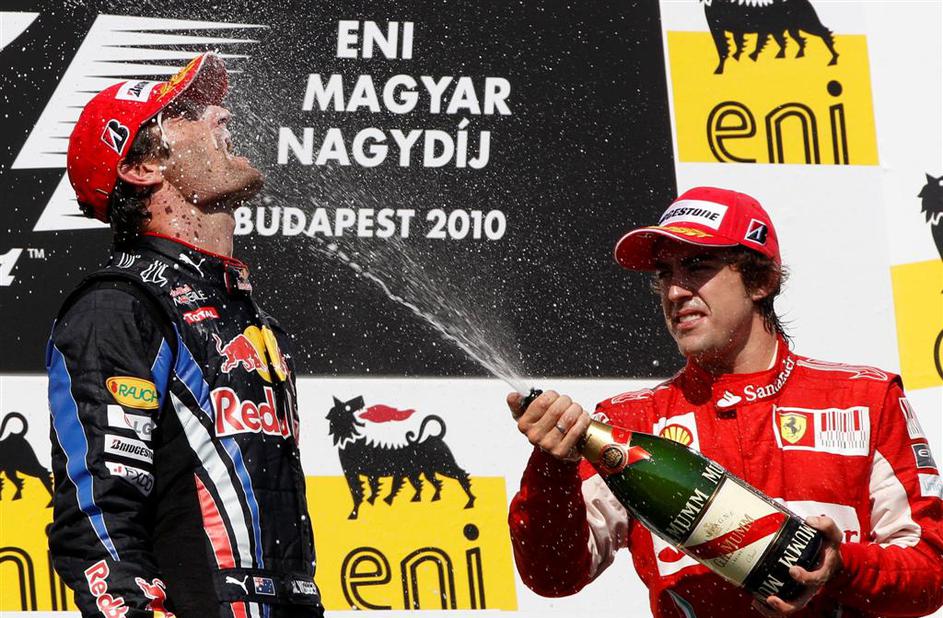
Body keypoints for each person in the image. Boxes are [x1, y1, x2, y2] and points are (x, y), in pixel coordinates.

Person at [507, 187, 943, 617]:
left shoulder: (864, 399)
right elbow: (553, 576)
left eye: (697, 267)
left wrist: (843, 567)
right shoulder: (629, 420)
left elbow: (932, 572)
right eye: (665, 273)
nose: (674, 293)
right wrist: (553, 468)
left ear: (761, 280)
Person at [47, 52, 323, 617]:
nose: (221, 115)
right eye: (188, 111)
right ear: (142, 167)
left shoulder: (248, 317)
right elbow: (99, 514)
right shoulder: (118, 306)